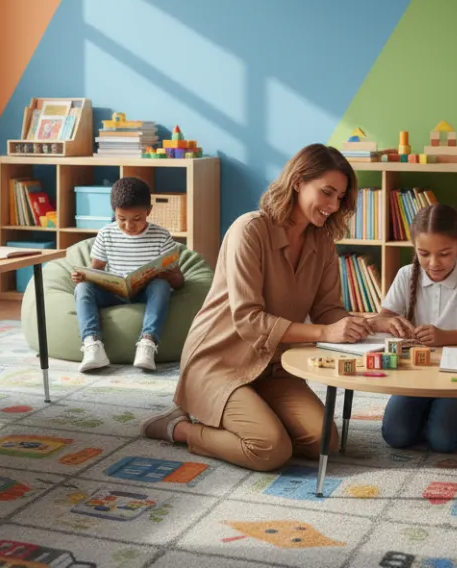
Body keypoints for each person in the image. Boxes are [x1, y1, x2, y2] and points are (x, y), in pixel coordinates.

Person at [141, 144, 371, 471]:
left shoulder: (322, 243)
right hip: (221, 362)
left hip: (272, 366)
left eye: (340, 198)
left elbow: (328, 311)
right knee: (270, 448)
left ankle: (254, 412)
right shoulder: (249, 231)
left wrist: (371, 323)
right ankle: (179, 427)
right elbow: (249, 321)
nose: (333, 206)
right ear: (297, 182)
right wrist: (325, 331)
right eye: (327, 193)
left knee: (324, 442)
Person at [373, 204, 457, 452]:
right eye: (424, 253)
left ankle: (452, 412)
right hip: (416, 373)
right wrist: (389, 322)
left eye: (444, 253)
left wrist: (443, 337)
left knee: (442, 441)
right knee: (394, 435)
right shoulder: (406, 275)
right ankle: (431, 410)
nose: (433, 263)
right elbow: (379, 319)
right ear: (414, 249)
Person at [71, 177, 183, 372]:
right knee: (82, 288)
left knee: (161, 286)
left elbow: (179, 282)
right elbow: (96, 270)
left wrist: (167, 274)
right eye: (122, 219)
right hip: (113, 292)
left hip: (144, 293)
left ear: (149, 211)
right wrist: (84, 277)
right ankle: (93, 345)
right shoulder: (106, 234)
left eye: (137, 219)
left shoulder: (161, 236)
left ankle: (147, 344)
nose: (129, 226)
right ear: (114, 212)